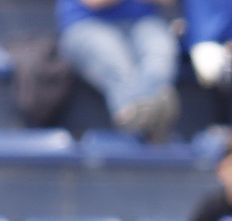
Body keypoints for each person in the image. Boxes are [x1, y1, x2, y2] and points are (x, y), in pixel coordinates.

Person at [56, 0, 181, 142]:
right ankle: (134, 119)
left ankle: (149, 117)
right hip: (86, 23)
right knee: (115, 61)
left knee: (159, 55)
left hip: (142, 22)